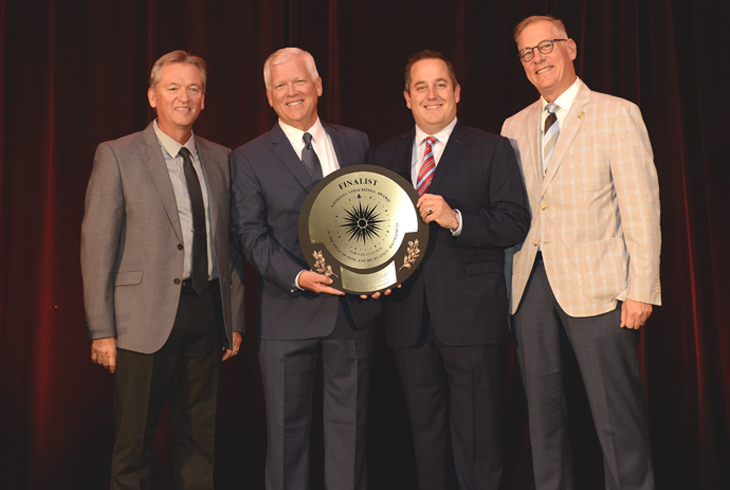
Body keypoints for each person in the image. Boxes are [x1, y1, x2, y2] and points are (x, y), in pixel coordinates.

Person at [501, 15, 661, 490]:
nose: (538, 58)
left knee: (617, 422)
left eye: (546, 46)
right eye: (527, 53)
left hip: (601, 287)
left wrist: (641, 289)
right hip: (529, 287)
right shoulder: (514, 125)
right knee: (544, 423)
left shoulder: (617, 113)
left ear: (570, 48)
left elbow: (641, 207)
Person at [81, 50, 244, 489]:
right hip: (142, 321)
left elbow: (231, 245)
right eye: (173, 88)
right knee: (132, 447)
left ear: (204, 99)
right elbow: (97, 244)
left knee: (199, 445)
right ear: (153, 96)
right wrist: (101, 329)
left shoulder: (223, 159)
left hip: (207, 315)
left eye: (193, 89)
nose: (183, 97)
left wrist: (234, 317)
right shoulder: (118, 154)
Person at [370, 49, 530, 490]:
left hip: (472, 319)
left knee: (479, 440)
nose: (432, 94)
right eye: (421, 87)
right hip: (407, 319)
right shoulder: (383, 155)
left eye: (441, 84)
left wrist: (456, 218)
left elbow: (515, 221)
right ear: (407, 98)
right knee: (426, 440)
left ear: (457, 92)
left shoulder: (492, 148)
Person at [229, 47, 381, 490]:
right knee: (286, 441)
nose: (292, 92)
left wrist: (375, 274)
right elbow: (250, 235)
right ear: (270, 98)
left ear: (318, 85)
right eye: (281, 86)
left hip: (351, 316)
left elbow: (374, 219)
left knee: (350, 439)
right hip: (286, 314)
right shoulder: (249, 156)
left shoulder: (356, 141)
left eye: (300, 82)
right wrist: (298, 276)